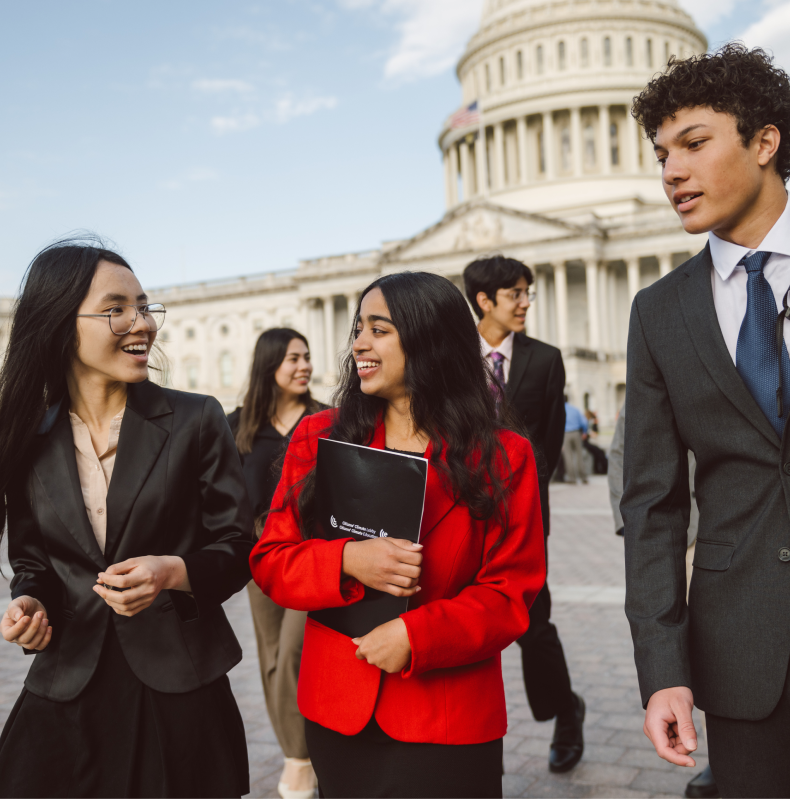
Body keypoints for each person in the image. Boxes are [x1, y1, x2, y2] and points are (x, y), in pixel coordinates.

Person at [250, 271, 546, 799]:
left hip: (448, 718)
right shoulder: (319, 436)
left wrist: (418, 636)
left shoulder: (506, 456)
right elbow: (271, 560)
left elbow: (510, 596)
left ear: (431, 340)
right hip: (339, 710)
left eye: (379, 329)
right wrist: (347, 560)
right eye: (359, 328)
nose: (359, 343)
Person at [0, 240, 254, 799]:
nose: (141, 323)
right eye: (116, 308)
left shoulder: (196, 418)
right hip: (68, 684)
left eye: (144, 306)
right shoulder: (25, 439)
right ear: (60, 323)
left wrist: (173, 572)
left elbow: (238, 544)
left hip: (178, 684)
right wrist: (31, 604)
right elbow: (31, 563)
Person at [623, 44, 790, 797]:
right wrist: (663, 672)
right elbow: (653, 506)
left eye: (694, 143)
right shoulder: (659, 311)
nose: (672, 172)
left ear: (764, 141)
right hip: (742, 652)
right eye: (662, 153)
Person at [462, 256, 585, 774]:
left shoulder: (546, 358)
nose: (525, 302)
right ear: (484, 300)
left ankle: (565, 713)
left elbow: (550, 442)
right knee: (464, 624)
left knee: (534, 623)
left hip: (523, 514)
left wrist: (524, 502)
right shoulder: (455, 359)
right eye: (515, 293)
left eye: (528, 292)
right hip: (462, 513)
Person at [228, 328, 326, 799]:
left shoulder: (328, 420)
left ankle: (304, 756)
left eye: (306, 357)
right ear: (269, 365)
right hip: (261, 557)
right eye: (293, 358)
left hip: (313, 555)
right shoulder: (237, 425)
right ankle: (297, 755)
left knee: (293, 651)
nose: (304, 365)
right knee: (270, 656)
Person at [609, 408, 716, 799]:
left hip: (717, 526)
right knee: (697, 646)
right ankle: (717, 754)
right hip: (671, 529)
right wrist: (630, 523)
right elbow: (623, 450)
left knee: (725, 636)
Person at [562, 396, 588, 483]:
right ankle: (583, 477)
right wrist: (584, 432)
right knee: (579, 455)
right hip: (576, 433)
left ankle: (572, 478)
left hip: (566, 434)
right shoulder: (575, 409)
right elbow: (584, 422)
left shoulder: (560, 410)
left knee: (568, 456)